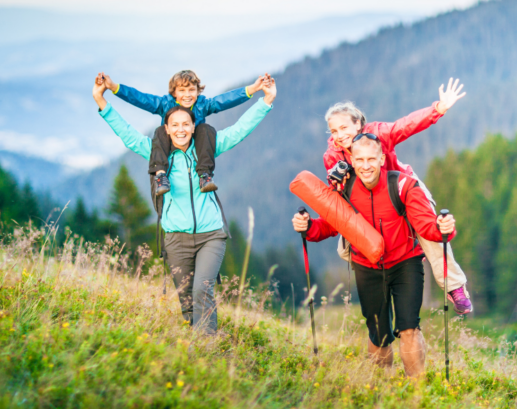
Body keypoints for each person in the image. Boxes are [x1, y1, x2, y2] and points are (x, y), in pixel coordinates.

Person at [92, 73, 277, 334]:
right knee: (187, 301)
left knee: (202, 289)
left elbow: (239, 130)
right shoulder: (157, 154)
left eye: (186, 124)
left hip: (210, 234)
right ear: (166, 129)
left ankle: (209, 345)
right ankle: (198, 346)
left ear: (193, 127)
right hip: (176, 236)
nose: (181, 129)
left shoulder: (207, 148)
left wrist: (266, 101)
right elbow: (127, 134)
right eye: (175, 125)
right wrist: (102, 100)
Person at [292, 134, 457, 377]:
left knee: (409, 327)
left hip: (405, 263)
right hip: (366, 265)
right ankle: (380, 390)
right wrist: (307, 227)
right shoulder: (345, 188)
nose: (366, 165)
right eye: (360, 159)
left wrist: (444, 228)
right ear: (352, 160)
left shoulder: (403, 185)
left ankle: (417, 392)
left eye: (371, 159)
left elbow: (425, 226)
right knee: (378, 335)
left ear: (382, 159)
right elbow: (329, 225)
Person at [322, 78, 472, 314]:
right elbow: (338, 197)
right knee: (345, 249)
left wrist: (438, 109)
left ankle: (454, 286)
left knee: (429, 231)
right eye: (334, 131)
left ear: (359, 124)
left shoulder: (377, 134)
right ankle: (392, 263)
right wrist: (337, 182)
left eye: (344, 128)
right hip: (369, 201)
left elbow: (405, 125)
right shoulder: (333, 156)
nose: (339, 135)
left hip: (402, 188)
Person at [98, 70, 271, 195]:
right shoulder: (164, 104)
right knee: (160, 132)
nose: (187, 95)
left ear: (198, 91)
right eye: (182, 90)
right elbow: (140, 98)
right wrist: (114, 87)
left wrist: (252, 90)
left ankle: (204, 175)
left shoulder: (203, 105)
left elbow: (224, 100)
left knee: (204, 129)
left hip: (195, 144)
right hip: (169, 146)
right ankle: (160, 176)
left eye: (191, 90)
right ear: (174, 93)